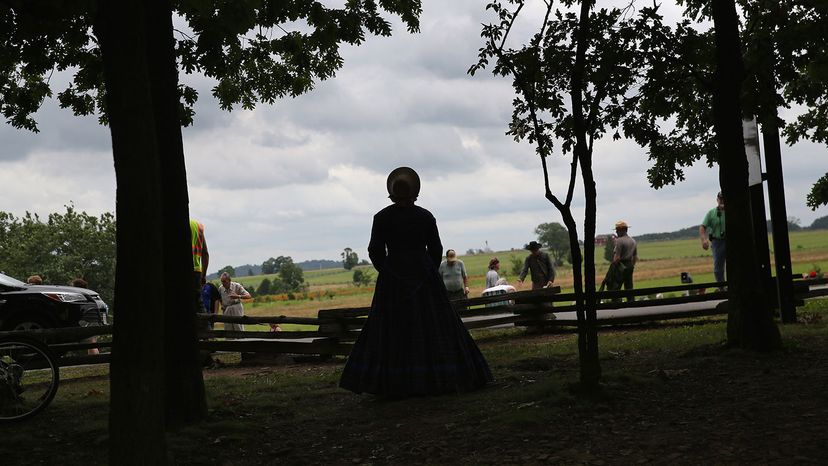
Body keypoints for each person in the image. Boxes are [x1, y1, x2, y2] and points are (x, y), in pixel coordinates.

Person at [339, 166, 492, 398]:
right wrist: (426, 270)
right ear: (415, 194)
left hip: (393, 279)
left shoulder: (382, 218)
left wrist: (389, 271)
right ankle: (442, 377)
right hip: (423, 275)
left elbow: (375, 251)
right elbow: (436, 249)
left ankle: (392, 383)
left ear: (392, 194)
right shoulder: (425, 216)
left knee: (390, 329)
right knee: (435, 325)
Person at [699, 192, 726, 285]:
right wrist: (704, 240)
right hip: (717, 242)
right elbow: (702, 227)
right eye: (720, 199)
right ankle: (722, 287)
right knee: (718, 267)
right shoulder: (712, 213)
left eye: (724, 199)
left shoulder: (733, 211)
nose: (722, 201)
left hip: (731, 241)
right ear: (717, 200)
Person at [612, 220, 638, 302]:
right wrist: (632, 266)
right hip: (630, 265)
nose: (616, 232)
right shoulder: (633, 241)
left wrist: (613, 267)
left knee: (616, 287)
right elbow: (635, 257)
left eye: (617, 230)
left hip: (621, 265)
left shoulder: (619, 241)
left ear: (622, 230)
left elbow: (617, 258)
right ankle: (631, 303)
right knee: (629, 286)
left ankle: (617, 304)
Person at [190, 219, 209, 315]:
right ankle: (206, 328)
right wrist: (203, 275)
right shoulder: (198, 226)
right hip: (196, 272)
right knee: (199, 305)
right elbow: (205, 253)